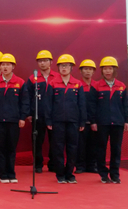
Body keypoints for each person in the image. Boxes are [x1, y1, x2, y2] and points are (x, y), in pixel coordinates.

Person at [0, 54, 28, 184]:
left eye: (8, 64)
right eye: (3, 64)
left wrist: (22, 117)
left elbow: (24, 102)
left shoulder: (20, 82)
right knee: (0, 147)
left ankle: (11, 173)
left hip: (14, 120)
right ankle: (2, 174)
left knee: (11, 148)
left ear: (13, 66)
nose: (5, 67)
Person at [44, 54, 86, 184]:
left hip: (73, 121)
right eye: (62, 66)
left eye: (67, 66)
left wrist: (82, 121)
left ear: (71, 67)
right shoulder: (53, 83)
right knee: (58, 148)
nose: (64, 68)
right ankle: (60, 174)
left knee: (72, 148)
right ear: (58, 67)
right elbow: (48, 104)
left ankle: (70, 174)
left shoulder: (78, 84)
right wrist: (48, 120)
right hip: (57, 121)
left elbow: (82, 104)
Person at [88, 56, 128, 184]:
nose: (107, 71)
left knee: (116, 149)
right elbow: (92, 106)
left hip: (118, 122)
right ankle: (103, 174)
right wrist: (93, 121)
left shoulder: (121, 86)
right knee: (101, 149)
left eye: (110, 68)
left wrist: (126, 120)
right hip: (102, 123)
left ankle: (115, 174)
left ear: (114, 70)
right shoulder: (96, 86)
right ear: (101, 70)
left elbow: (125, 105)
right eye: (105, 69)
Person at [25, 50, 60, 174]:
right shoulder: (32, 78)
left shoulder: (57, 77)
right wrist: (29, 113)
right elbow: (27, 96)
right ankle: (38, 164)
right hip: (37, 114)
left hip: (54, 115)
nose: (43, 63)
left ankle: (53, 164)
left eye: (45, 60)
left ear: (51, 62)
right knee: (37, 140)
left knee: (55, 141)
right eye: (40, 61)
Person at [76, 59, 98, 174]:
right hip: (80, 121)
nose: (88, 71)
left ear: (94, 71)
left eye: (90, 69)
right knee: (80, 145)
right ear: (80, 71)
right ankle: (80, 166)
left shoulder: (97, 86)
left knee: (93, 145)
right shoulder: (77, 85)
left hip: (94, 121)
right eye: (85, 69)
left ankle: (92, 166)